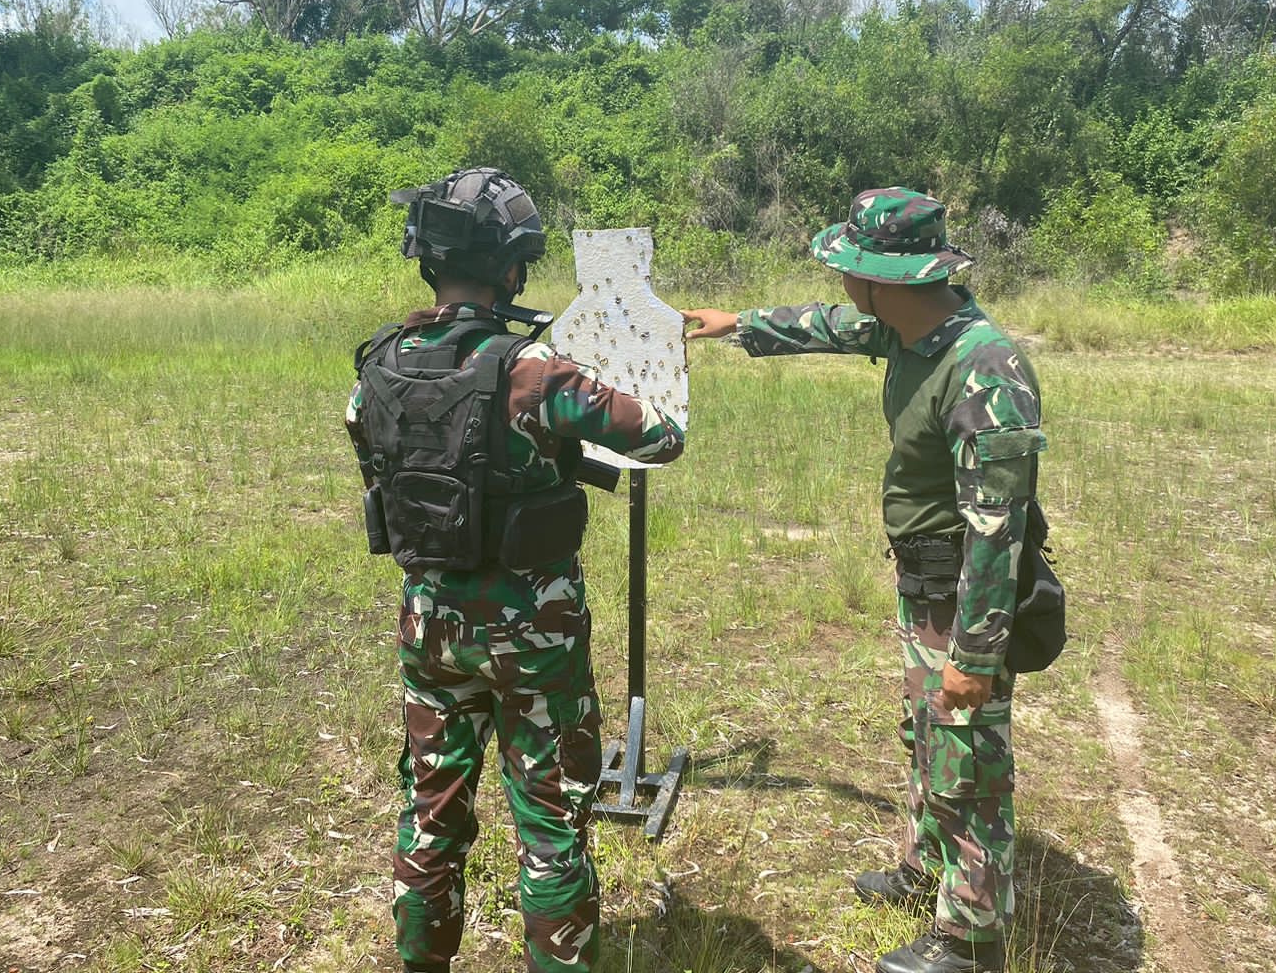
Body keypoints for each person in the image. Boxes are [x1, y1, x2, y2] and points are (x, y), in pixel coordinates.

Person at [682, 188, 1044, 973]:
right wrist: (734, 324)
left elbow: (998, 527)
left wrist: (976, 656)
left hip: (962, 594)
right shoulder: (908, 327)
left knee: (967, 757)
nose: (843, 282)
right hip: (926, 585)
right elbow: (825, 324)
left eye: (851, 268)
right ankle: (928, 870)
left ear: (886, 278)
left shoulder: (982, 365)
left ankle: (972, 938)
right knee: (926, 736)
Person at [346, 168, 685, 973]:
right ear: (511, 268)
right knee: (551, 828)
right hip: (534, 639)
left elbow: (372, 453)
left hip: (430, 628)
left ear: (426, 259)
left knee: (431, 815)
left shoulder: (376, 369)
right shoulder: (533, 371)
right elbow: (661, 436)